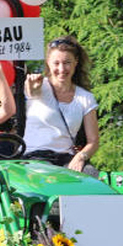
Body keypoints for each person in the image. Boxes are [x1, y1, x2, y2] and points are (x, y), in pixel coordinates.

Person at [23, 35, 99, 175]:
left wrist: (80, 157)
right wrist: (31, 86)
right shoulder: (39, 86)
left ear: (76, 62)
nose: (62, 68)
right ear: (48, 63)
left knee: (91, 175)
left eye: (67, 62)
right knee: (48, 177)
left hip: (67, 158)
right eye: (56, 63)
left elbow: (93, 141)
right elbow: (31, 92)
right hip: (36, 157)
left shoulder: (86, 98)